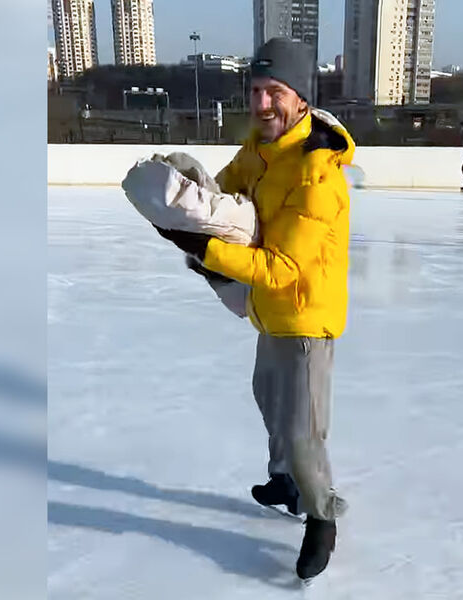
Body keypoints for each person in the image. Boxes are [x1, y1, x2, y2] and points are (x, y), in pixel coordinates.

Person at [154, 37, 355, 581]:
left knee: (302, 428)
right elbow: (221, 198)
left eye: (275, 92)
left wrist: (206, 251)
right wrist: (184, 193)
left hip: (306, 318)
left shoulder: (317, 175)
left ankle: (322, 516)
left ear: (301, 99)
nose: (262, 104)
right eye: (256, 90)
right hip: (269, 313)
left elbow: (284, 267)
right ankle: (286, 482)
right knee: (268, 400)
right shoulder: (258, 151)